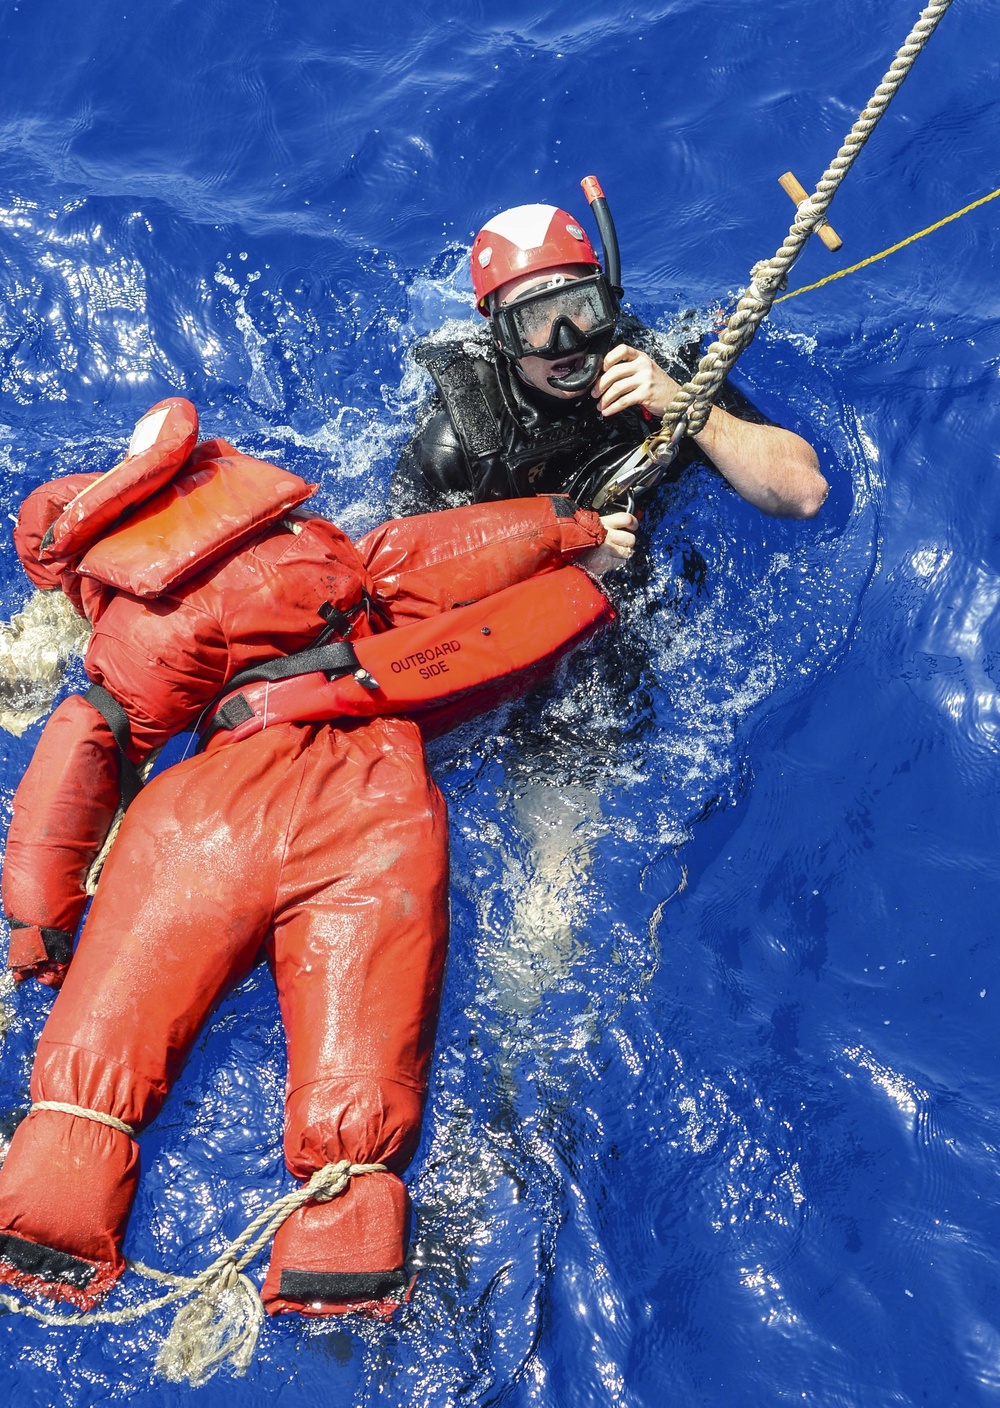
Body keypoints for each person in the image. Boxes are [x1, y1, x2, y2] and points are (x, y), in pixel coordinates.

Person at [0, 398, 614, 1320]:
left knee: (100, 1064)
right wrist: (569, 529)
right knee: (361, 1069)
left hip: (207, 815)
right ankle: (344, 1262)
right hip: (371, 799)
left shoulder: (134, 627)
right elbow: (428, 558)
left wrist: (40, 930)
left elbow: (80, 759)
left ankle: (46, 1222)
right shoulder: (324, 554)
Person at [393, 191, 829, 566]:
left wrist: (687, 407)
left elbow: (807, 494)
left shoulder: (655, 368)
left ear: (606, 301)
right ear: (503, 337)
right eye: (533, 321)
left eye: (580, 306)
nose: (566, 340)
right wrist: (562, 559)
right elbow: (406, 582)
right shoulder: (461, 440)